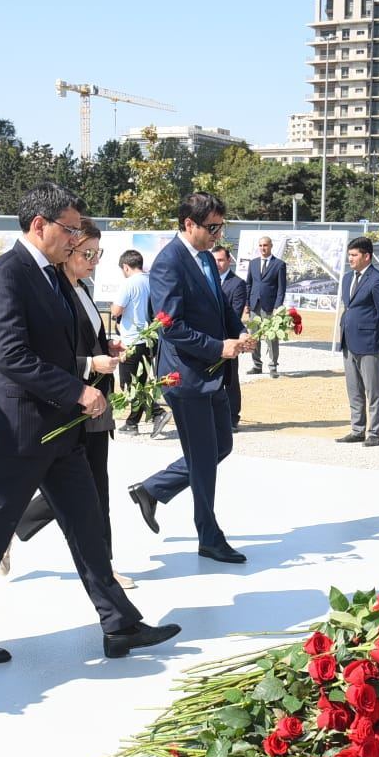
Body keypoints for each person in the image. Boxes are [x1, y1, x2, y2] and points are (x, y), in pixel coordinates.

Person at [0, 182, 178, 663]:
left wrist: (92, 358)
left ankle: (119, 624)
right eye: (68, 229)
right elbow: (11, 357)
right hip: (19, 430)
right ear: (39, 224)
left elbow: (60, 345)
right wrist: (78, 388)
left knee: (87, 525)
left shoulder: (52, 275)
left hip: (61, 430)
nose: (74, 239)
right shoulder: (8, 275)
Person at [128, 193, 255, 564]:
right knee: (202, 457)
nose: (218, 235)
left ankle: (151, 490)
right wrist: (219, 347)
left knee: (220, 447)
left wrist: (240, 332)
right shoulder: (169, 262)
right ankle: (209, 536)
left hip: (211, 373)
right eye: (212, 227)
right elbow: (172, 327)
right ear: (189, 224)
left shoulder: (204, 258)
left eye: (221, 226)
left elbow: (219, 308)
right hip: (184, 377)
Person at [12, 220, 135, 590]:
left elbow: (85, 339)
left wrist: (105, 349)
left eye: (99, 253)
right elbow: (46, 354)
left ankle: (11, 524)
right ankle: (103, 568)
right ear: (68, 251)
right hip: (73, 400)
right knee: (88, 488)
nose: (94, 260)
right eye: (87, 253)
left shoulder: (80, 288)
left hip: (95, 400)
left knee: (89, 486)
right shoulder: (55, 293)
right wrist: (87, 364)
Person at [336, 236, 379, 448]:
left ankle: (374, 433)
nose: (349, 259)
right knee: (354, 389)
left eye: (354, 255)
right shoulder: (346, 279)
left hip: (371, 342)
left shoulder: (378, 280)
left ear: (366, 256)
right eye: (349, 255)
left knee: (373, 390)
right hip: (348, 341)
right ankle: (357, 429)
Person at [110, 249, 168, 437]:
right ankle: (132, 422)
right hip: (151, 339)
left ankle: (158, 413)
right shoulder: (152, 281)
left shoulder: (128, 284)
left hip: (132, 340)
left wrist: (113, 308)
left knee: (129, 384)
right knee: (140, 382)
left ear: (126, 267)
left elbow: (116, 310)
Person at [213, 244, 248, 431]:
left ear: (228, 261)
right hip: (212, 341)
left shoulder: (237, 284)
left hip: (229, 339)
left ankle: (233, 416)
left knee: (231, 379)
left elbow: (234, 313)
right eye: (215, 260)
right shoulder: (208, 280)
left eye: (221, 260)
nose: (217, 264)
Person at [245, 234, 287, 376]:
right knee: (254, 336)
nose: (263, 248)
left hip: (270, 307)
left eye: (265, 245)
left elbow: (281, 289)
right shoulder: (253, 263)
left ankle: (273, 366)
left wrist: (277, 307)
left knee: (271, 337)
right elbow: (249, 284)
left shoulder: (279, 264)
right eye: (261, 245)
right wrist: (247, 303)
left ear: (271, 246)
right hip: (254, 305)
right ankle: (257, 365)